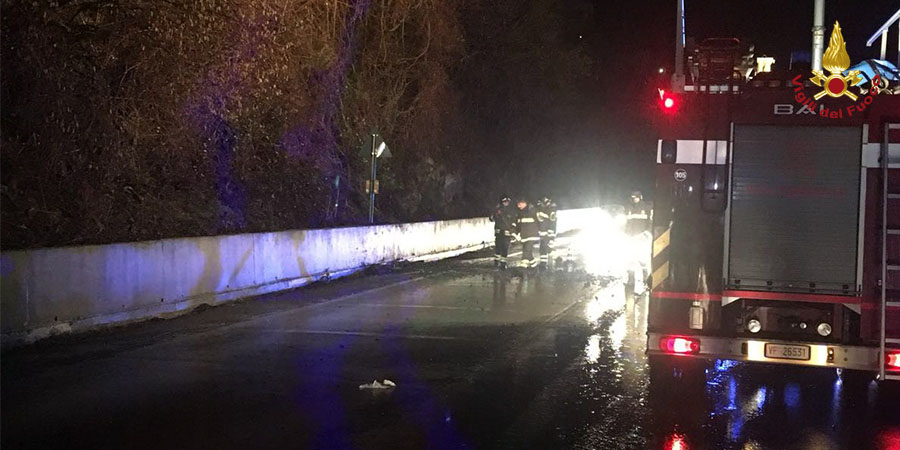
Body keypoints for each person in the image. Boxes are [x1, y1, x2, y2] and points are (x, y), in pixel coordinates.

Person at [489, 195, 515, 269]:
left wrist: (513, 229)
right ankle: (496, 262)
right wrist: (496, 213)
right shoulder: (497, 209)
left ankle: (503, 263)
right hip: (499, 231)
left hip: (507, 231)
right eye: (504, 202)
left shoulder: (511, 210)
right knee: (498, 247)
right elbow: (491, 219)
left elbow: (514, 220)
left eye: (507, 202)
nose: (506, 203)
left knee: (505, 247)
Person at [514, 198, 540, 268]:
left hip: (532, 235)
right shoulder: (519, 213)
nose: (518, 206)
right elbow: (518, 224)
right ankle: (534, 267)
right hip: (524, 236)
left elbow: (539, 221)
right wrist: (517, 233)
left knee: (526, 252)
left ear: (524, 203)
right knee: (528, 253)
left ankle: (523, 267)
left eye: (519, 204)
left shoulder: (532, 210)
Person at [536, 196, 558, 269]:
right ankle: (543, 265)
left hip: (548, 234)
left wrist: (551, 236)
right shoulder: (541, 209)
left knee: (549, 249)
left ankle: (552, 265)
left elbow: (553, 223)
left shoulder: (551, 210)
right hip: (542, 233)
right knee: (542, 249)